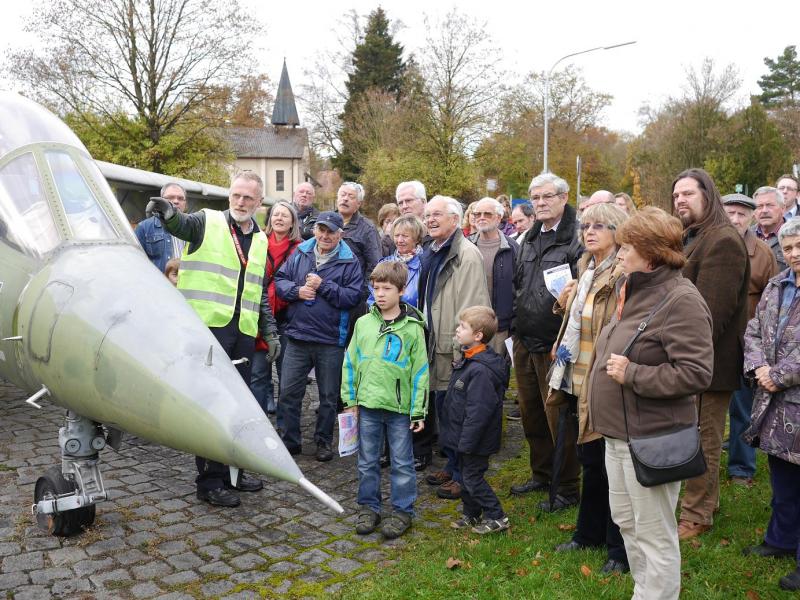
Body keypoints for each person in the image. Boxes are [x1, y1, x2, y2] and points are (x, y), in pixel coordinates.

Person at [588, 206, 714, 600]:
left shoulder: (681, 300)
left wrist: (634, 374)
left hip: (651, 440)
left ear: (652, 254)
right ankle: (645, 592)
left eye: (627, 247)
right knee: (627, 521)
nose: (620, 254)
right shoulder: (636, 289)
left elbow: (696, 373)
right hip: (618, 436)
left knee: (655, 533)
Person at [146, 171, 280, 508]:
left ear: (258, 202)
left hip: (244, 334)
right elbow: (182, 225)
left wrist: (269, 330)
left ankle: (234, 474)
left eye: (248, 197)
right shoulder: (208, 222)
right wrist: (169, 214)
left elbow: (258, 291)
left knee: (238, 407)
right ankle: (210, 482)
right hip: (209, 331)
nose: (240, 202)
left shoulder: (261, 239)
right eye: (235, 195)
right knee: (212, 407)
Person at [548, 203, 629, 574]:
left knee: (610, 465)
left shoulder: (622, 272)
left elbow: (617, 326)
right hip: (578, 373)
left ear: (618, 230)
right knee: (591, 461)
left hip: (605, 377)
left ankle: (618, 548)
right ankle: (587, 534)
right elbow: (579, 319)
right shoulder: (587, 266)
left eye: (600, 226)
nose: (589, 232)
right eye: (586, 226)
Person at [673, 168, 750, 541]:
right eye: (676, 196)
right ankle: (705, 500)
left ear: (709, 194)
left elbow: (711, 314)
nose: (680, 201)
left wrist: (686, 360)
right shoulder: (695, 237)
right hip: (692, 359)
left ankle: (697, 513)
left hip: (709, 362)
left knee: (703, 436)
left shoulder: (722, 241)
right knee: (692, 432)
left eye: (688, 193)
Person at [509, 172, 582, 513]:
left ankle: (567, 485)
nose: (539, 203)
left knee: (558, 416)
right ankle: (541, 473)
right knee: (531, 413)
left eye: (546, 196)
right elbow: (521, 284)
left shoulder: (576, 238)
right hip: (525, 339)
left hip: (556, 343)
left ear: (563, 198)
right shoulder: (529, 237)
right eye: (534, 197)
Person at [343, 261, 428, 540]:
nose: (380, 294)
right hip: (367, 406)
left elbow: (419, 372)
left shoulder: (413, 329)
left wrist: (418, 411)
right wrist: (350, 398)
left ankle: (403, 510)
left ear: (402, 291)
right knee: (367, 461)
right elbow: (350, 363)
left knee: (402, 462)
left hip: (399, 410)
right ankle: (369, 506)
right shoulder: (363, 324)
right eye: (376, 288)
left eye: (387, 288)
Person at [274, 211, 364, 462]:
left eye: (330, 232)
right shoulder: (301, 252)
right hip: (297, 336)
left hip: (330, 339)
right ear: (314, 230)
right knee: (288, 392)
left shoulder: (350, 261)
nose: (324, 235)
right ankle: (290, 441)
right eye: (321, 230)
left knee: (328, 397)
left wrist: (323, 285)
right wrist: (297, 291)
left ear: (340, 234)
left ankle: (323, 442)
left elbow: (353, 297)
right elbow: (279, 280)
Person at [419, 195, 490, 500]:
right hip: (437, 345)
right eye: (427, 215)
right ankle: (452, 463)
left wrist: (464, 349)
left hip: (454, 347)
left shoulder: (467, 254)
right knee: (445, 411)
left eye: (436, 215)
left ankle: (463, 476)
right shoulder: (433, 250)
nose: (430, 220)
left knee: (458, 414)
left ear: (455, 219)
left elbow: (473, 307)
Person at [742, 217, 800, 592]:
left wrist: (779, 375)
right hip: (776, 402)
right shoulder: (778, 286)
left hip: (789, 391)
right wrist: (759, 366)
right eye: (790, 247)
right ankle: (779, 541)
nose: (794, 254)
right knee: (782, 475)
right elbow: (753, 330)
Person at [722, 193, 778, 486]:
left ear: (751, 218)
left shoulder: (763, 253)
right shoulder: (711, 247)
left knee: (743, 406)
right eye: (730, 212)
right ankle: (692, 463)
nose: (735, 219)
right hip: (713, 340)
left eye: (742, 214)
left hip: (747, 343)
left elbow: (774, 300)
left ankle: (741, 469)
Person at [444, 306, 510, 534]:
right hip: (464, 437)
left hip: (475, 440)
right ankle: (471, 514)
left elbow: (478, 411)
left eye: (462, 327)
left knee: (472, 478)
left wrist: (467, 442)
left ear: (478, 335)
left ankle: (497, 515)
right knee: (464, 477)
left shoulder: (481, 370)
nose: (457, 330)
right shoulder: (468, 360)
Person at [250, 201, 302, 416]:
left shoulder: (301, 248)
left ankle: (285, 425)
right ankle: (259, 420)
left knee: (287, 377)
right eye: (275, 215)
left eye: (285, 215)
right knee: (258, 374)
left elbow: (299, 281)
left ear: (293, 222)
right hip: (260, 316)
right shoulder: (258, 242)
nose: (279, 218)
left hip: (287, 317)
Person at [467, 197, 519, 359]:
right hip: (470, 325)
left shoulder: (513, 249)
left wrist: (513, 325)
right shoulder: (466, 247)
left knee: (496, 375)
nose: (481, 217)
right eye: (477, 214)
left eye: (487, 214)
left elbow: (519, 288)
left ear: (498, 217)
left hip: (499, 328)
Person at [336, 182, 382, 304]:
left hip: (354, 296)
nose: (345, 199)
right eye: (342, 195)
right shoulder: (326, 223)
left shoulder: (367, 229)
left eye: (351, 197)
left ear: (358, 204)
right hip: (328, 291)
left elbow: (375, 265)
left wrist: (363, 294)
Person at [135, 182, 188, 271]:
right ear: (161, 201)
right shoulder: (144, 227)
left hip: (187, 282)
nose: (176, 201)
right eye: (171, 197)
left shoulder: (194, 227)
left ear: (185, 203)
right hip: (160, 283)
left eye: (181, 198)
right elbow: (136, 261)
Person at [753, 186, 788, 271]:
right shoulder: (745, 235)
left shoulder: (794, 235)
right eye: (759, 206)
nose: (764, 210)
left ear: (783, 208)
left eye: (770, 205)